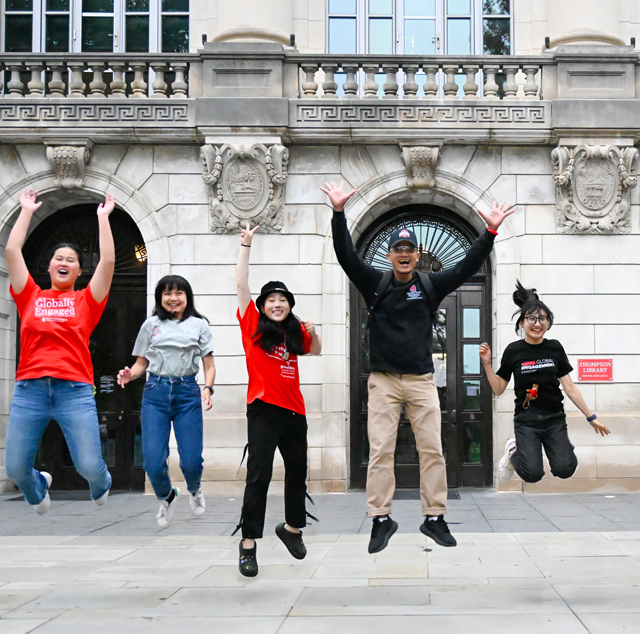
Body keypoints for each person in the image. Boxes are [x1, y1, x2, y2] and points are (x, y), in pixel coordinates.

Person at [321, 181, 516, 554]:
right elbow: (346, 254)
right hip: (383, 382)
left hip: (422, 381)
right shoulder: (375, 284)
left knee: (432, 450)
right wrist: (339, 213)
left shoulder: (429, 285)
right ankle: (380, 518)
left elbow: (465, 266)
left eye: (410, 249)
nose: (404, 255)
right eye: (398, 250)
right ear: (391, 256)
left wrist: (489, 232)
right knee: (380, 451)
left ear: (417, 254)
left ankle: (434, 517)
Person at [3, 188, 117, 514]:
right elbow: (12, 250)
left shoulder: (86, 301)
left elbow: (108, 261)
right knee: (15, 468)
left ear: (79, 272)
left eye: (71, 260)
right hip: (30, 390)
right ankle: (38, 487)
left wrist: (103, 218)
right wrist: (26, 210)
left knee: (90, 467)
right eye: (58, 258)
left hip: (74, 390)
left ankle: (102, 483)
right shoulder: (30, 296)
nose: (64, 262)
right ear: (50, 267)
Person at [233, 224, 322, 577]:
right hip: (263, 409)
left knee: (298, 473)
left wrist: (315, 333)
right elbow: (242, 286)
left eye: (283, 300)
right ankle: (248, 543)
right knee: (259, 475)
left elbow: (316, 351)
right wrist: (245, 245)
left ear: (289, 306)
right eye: (271, 299)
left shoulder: (295, 332)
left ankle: (291, 529)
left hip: (294, 412)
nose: (277, 304)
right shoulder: (252, 325)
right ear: (263, 305)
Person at [482, 282, 610, 485]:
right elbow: (498, 389)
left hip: (554, 420)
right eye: (531, 318)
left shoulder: (555, 348)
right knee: (532, 474)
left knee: (565, 469)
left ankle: (563, 449)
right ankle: (514, 450)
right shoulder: (513, 351)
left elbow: (570, 387)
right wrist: (487, 364)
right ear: (522, 324)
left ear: (548, 323)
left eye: (542, 318)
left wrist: (591, 417)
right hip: (526, 421)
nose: (537, 323)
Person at [116, 275, 215, 529]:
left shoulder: (199, 325)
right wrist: (130, 375)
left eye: (179, 293)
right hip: (155, 392)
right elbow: (141, 363)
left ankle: (194, 490)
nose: (173, 298)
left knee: (191, 460)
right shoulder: (151, 325)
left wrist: (208, 388)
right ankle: (166, 497)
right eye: (167, 294)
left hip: (187, 392)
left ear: (187, 297)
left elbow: (209, 364)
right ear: (160, 298)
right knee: (152, 461)